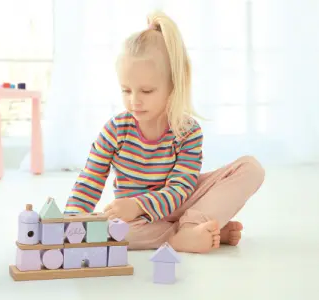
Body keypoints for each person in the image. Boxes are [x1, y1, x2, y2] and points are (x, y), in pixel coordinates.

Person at [64, 11, 265, 254]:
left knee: (250, 168)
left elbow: (180, 188)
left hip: (178, 202)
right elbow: (89, 181)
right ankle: (192, 234)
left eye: (146, 91)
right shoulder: (115, 130)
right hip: (138, 220)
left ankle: (191, 228)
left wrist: (138, 204)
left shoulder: (187, 131)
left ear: (173, 85)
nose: (134, 101)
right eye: (126, 90)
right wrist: (69, 223)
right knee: (104, 230)